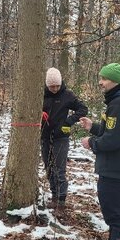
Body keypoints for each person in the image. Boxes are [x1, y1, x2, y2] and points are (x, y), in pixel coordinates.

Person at [79, 63, 120, 240]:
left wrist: (91, 143)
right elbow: (114, 131)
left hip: (114, 171)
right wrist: (93, 127)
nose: (100, 82)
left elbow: (113, 140)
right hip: (119, 168)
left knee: (116, 218)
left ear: (115, 81)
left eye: (104, 79)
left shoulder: (119, 104)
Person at [41, 67, 88, 209]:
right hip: (44, 136)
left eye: (57, 86)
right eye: (51, 86)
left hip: (61, 137)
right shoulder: (41, 94)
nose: (54, 89)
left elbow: (83, 109)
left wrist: (68, 121)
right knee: (48, 168)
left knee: (59, 169)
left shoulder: (67, 95)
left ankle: (61, 200)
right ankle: (54, 195)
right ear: (47, 85)